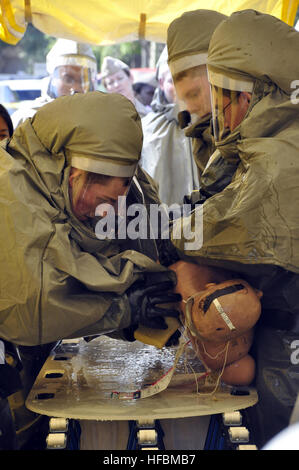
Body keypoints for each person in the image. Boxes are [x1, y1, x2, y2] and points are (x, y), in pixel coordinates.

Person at [171, 9, 299, 448]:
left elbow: (213, 228)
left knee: (276, 432)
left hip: (290, 335)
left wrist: (149, 238)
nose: (218, 110)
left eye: (222, 94)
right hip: (278, 324)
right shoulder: (263, 146)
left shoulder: (280, 159)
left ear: (251, 97)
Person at [166, 9, 238, 205]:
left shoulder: (260, 128)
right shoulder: (204, 137)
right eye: (183, 97)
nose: (191, 107)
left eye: (194, 94)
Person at [141, 47, 198, 205]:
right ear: (161, 83)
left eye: (187, 78)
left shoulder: (208, 124)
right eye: (174, 80)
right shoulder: (145, 129)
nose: (182, 88)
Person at [11, 39, 97, 128]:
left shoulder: (98, 122)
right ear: (53, 79)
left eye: (82, 81)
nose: (76, 88)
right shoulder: (26, 120)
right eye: (68, 79)